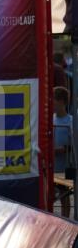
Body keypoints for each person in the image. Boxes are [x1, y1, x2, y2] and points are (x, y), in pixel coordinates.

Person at [53, 86, 73, 218]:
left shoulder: (70, 121)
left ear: (62, 102)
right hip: (53, 165)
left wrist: (59, 150)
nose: (51, 102)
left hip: (67, 165)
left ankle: (66, 220)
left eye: (53, 100)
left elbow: (73, 146)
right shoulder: (51, 118)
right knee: (54, 194)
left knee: (65, 195)